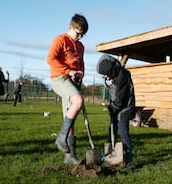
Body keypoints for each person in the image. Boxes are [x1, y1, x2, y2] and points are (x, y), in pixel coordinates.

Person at [46, 13, 89, 165]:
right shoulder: (61, 39)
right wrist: (69, 71)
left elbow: (80, 63)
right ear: (70, 27)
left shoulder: (81, 46)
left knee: (69, 117)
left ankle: (69, 156)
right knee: (78, 101)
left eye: (82, 35)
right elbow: (50, 59)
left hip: (72, 82)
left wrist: (80, 74)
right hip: (59, 78)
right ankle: (60, 138)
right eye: (78, 33)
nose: (79, 37)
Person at [96, 54, 136, 168]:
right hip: (117, 108)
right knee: (112, 130)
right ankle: (110, 154)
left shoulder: (122, 77)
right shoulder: (117, 75)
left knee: (123, 132)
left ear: (110, 70)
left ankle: (129, 159)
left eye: (105, 73)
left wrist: (112, 108)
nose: (105, 76)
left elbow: (119, 99)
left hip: (125, 109)